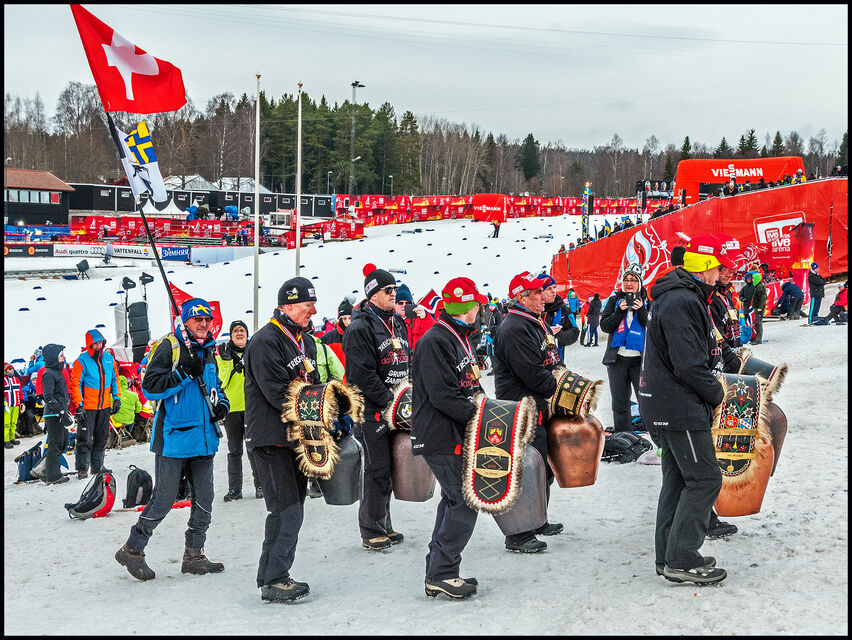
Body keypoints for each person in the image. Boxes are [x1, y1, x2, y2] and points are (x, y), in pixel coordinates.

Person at [115, 298, 229, 582]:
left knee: (205, 499)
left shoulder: (209, 349)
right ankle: (133, 549)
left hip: (204, 438)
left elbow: (215, 386)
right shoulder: (170, 346)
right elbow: (151, 388)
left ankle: (194, 556)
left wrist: (222, 404)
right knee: (164, 499)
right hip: (174, 438)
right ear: (185, 320)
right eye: (197, 319)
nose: (204, 324)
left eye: (207, 320)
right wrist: (183, 373)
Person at [639, 233, 730, 585]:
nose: (721, 274)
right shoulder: (682, 299)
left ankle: (669, 556)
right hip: (679, 406)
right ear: (705, 267)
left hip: (668, 403)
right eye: (718, 267)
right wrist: (716, 394)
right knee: (705, 479)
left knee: (678, 480)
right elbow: (689, 365)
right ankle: (681, 558)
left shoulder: (681, 295)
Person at [243, 277, 325, 602]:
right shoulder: (265, 340)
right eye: (307, 305)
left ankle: (275, 575)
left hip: (295, 437)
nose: (313, 311)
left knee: (295, 509)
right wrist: (319, 408)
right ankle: (274, 579)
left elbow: (313, 384)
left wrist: (330, 406)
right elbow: (279, 394)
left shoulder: (306, 342)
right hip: (270, 438)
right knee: (286, 510)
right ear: (288, 306)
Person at [412, 277, 489, 599]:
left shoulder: (458, 337)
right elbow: (443, 395)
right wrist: (481, 417)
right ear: (466, 306)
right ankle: (442, 572)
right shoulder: (436, 340)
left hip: (453, 431)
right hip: (440, 433)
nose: (480, 309)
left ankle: (438, 570)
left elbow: (468, 384)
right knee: (464, 500)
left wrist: (484, 406)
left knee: (453, 499)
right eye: (476, 304)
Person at [493, 271, 563, 553]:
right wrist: (561, 385)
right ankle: (518, 533)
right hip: (521, 411)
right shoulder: (515, 328)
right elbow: (533, 374)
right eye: (536, 293)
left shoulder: (531, 322)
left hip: (537, 409)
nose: (543, 297)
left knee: (543, 469)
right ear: (521, 298)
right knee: (525, 471)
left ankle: (537, 518)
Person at [344, 263, 411, 551]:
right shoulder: (360, 327)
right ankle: (371, 529)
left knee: (391, 468)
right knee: (376, 470)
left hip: (396, 406)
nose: (393, 294)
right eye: (388, 290)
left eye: (395, 288)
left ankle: (383, 523)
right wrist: (389, 401)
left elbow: (407, 359)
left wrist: (407, 394)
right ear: (372, 294)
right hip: (372, 410)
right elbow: (362, 375)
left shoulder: (397, 322)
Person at [217, 320, 262, 502]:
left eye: (242, 330)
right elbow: (221, 382)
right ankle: (235, 489)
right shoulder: (223, 354)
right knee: (234, 450)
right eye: (235, 331)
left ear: (247, 333)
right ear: (231, 335)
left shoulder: (255, 351)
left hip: (252, 407)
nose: (239, 333)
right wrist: (229, 364)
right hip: (232, 408)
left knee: (254, 448)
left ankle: (261, 486)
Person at [599, 265, 647, 432]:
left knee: (645, 400)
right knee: (620, 402)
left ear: (639, 283)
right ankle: (623, 435)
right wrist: (619, 311)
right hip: (617, 359)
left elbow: (653, 327)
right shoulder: (614, 300)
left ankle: (651, 432)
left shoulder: (647, 301)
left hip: (640, 360)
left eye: (633, 280)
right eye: (626, 279)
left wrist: (641, 310)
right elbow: (605, 326)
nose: (629, 283)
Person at [70, 329, 121, 479]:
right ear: (89, 345)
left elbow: (115, 379)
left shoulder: (109, 359)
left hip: (104, 406)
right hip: (88, 407)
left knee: (102, 437)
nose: (99, 346)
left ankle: (97, 466)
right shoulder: (82, 360)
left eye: (101, 343)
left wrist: (117, 398)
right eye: (96, 344)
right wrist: (79, 405)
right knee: (84, 439)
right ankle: (82, 468)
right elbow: (75, 384)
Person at [40, 344, 72, 484]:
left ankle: (46, 470)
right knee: (55, 444)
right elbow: (48, 396)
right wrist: (61, 411)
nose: (64, 357)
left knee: (63, 443)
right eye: (61, 355)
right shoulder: (49, 374)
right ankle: (53, 476)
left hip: (60, 412)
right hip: (54, 414)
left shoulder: (58, 372)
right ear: (53, 357)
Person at [539, 274, 580, 359]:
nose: (553, 291)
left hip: (557, 361)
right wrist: (546, 333)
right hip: (536, 361)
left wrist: (559, 335)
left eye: (554, 287)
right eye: (549, 288)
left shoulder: (564, 310)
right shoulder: (533, 310)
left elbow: (574, 332)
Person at [395, 283, 436, 350]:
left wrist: (425, 318)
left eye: (407, 303)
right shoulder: (390, 319)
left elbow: (434, 334)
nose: (404, 305)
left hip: (418, 355)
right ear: (395, 305)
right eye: (400, 303)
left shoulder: (419, 318)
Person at [109, 375, 143, 447]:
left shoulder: (112, 396)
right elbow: (138, 409)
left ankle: (109, 441)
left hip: (117, 420)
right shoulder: (133, 395)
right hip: (130, 420)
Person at [321, 297, 354, 370]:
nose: (347, 322)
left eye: (350, 318)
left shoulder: (360, 334)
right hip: (338, 376)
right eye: (344, 318)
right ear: (340, 319)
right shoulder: (327, 339)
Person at [4, 362, 26, 448]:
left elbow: (20, 391)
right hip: (7, 406)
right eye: (10, 369)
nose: (12, 370)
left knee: (14, 423)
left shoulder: (16, 379)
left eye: (12, 368)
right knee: (6, 423)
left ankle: (12, 438)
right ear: (5, 370)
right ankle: (6, 440)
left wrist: (22, 401)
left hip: (16, 404)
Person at [750, 272, 768, 345]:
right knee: (757, 323)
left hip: (759, 308)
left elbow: (763, 297)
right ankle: (757, 338)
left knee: (758, 323)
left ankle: (758, 339)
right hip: (757, 307)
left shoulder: (760, 287)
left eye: (753, 279)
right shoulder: (757, 287)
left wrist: (760, 307)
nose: (752, 280)